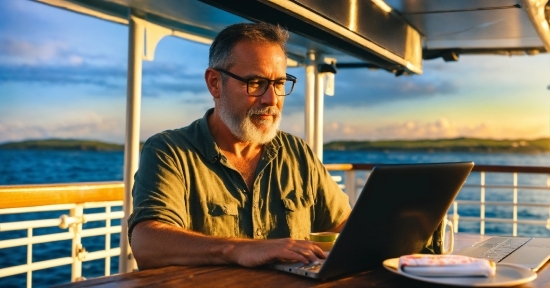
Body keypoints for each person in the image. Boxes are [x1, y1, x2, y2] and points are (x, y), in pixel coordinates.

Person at [128, 22, 352, 270]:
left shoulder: (297, 153)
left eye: (279, 83)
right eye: (255, 82)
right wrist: (238, 249)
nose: (272, 99)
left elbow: (347, 227)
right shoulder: (170, 152)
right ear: (215, 83)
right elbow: (147, 243)